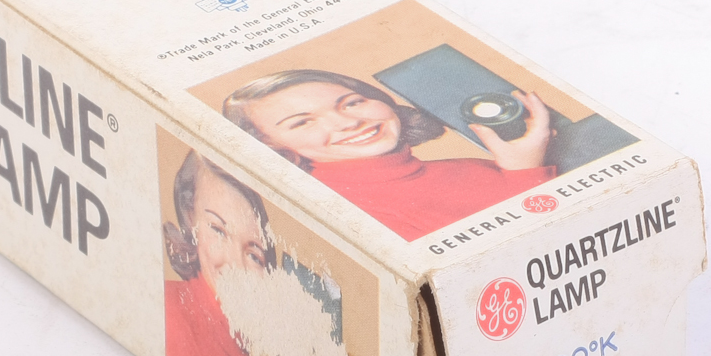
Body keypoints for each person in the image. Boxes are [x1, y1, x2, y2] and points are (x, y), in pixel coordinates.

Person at [223, 69, 556, 242]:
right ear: (270, 147)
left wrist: (522, 168)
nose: (348, 122)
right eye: (301, 122)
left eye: (352, 102)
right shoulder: (344, 216)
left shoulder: (477, 166)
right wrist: (526, 174)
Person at [164, 150, 347, 356]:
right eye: (218, 230)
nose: (237, 264)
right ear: (189, 224)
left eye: (253, 254)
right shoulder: (168, 313)